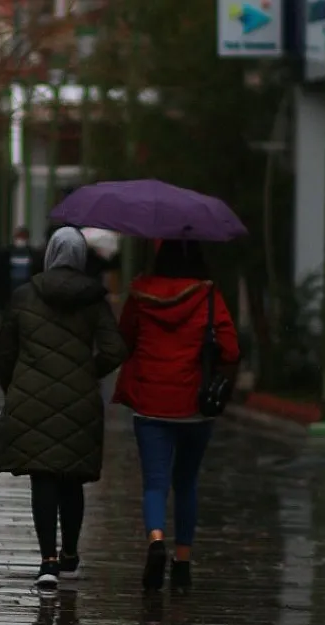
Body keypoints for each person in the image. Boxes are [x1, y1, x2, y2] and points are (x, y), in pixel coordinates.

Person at [0, 227, 127, 589]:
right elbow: (114, 350)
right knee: (72, 478)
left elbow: (5, 353)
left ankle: (47, 562)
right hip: (80, 401)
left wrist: (16, 389)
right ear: (81, 258)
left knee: (43, 477)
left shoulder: (23, 296)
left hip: (33, 398)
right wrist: (85, 374)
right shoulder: (95, 300)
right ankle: (69, 556)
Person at [112, 240, 239, 594]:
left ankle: (156, 540)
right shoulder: (209, 297)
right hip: (194, 406)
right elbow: (231, 349)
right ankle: (182, 563)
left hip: (151, 403)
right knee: (186, 484)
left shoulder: (140, 295)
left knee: (155, 483)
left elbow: (125, 339)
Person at [0, 227, 42, 311]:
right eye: (19, 236)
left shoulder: (34, 255)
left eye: (23, 237)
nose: (20, 239)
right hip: (8, 294)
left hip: (27, 294)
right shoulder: (5, 253)